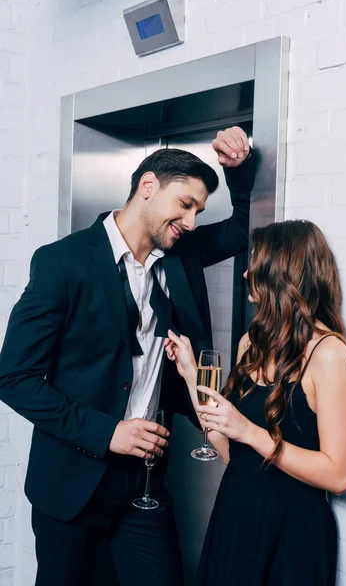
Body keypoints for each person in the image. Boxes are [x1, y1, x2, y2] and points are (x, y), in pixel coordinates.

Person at [0, 126, 255, 586]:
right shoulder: (63, 262)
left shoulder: (182, 255)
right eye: (186, 205)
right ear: (148, 187)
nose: (193, 222)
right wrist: (108, 432)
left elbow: (241, 232)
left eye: (198, 210)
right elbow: (13, 377)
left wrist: (237, 169)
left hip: (147, 484)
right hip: (70, 487)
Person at [166, 219, 346, 586]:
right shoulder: (251, 343)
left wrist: (250, 431)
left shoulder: (328, 353)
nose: (246, 271)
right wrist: (191, 377)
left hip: (292, 532)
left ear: (282, 270)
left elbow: (339, 475)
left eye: (255, 260)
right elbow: (229, 450)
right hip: (235, 514)